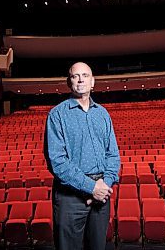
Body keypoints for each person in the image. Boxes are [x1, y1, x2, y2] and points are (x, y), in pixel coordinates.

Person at [44, 62, 120, 250]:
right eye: (75, 76)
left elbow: (113, 155)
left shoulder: (103, 114)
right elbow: (58, 162)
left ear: (93, 82)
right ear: (69, 82)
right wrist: (91, 187)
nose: (80, 79)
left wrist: (104, 185)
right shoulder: (57, 115)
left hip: (101, 193)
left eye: (85, 75)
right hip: (71, 197)